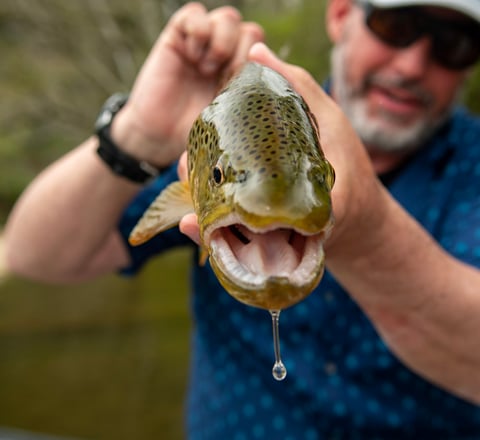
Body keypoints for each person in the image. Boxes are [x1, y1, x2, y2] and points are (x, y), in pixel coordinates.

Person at [4, 0, 480, 437]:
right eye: (395, 27)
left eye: (453, 46)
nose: (413, 64)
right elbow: (33, 256)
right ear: (339, 15)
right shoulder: (205, 134)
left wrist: (367, 232)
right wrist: (137, 136)